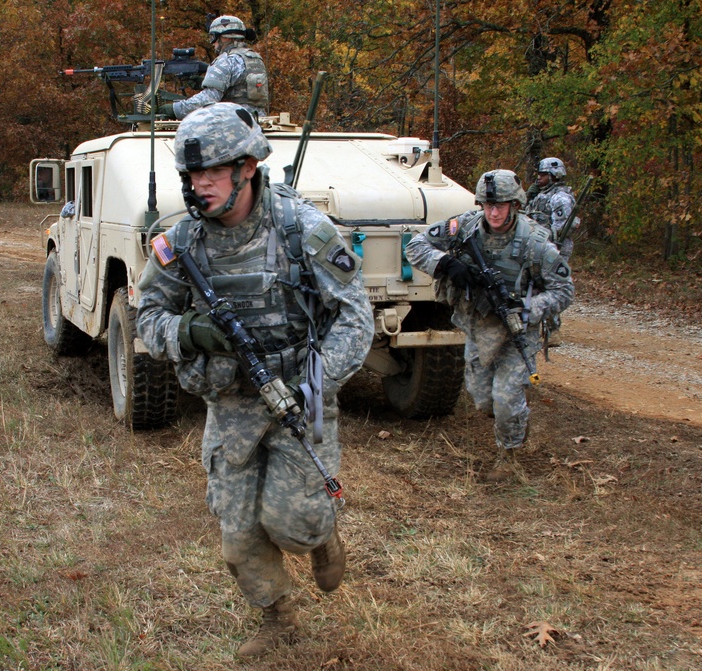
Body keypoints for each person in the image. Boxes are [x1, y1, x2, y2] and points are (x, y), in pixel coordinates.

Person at [136, 103, 373, 657]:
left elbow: (355, 318)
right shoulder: (182, 242)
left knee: (293, 523)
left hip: (302, 391)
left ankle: (320, 533)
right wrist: (191, 332)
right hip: (231, 401)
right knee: (238, 536)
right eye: (192, 174)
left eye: (213, 171)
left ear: (247, 167)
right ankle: (279, 618)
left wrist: (315, 385)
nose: (201, 185)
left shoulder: (302, 229)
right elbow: (147, 316)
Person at [405, 169, 574, 482]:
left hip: (517, 329)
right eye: (488, 205)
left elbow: (564, 290)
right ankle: (514, 418)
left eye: (502, 205)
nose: (494, 212)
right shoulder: (465, 226)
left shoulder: (535, 243)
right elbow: (415, 246)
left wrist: (527, 310)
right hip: (478, 325)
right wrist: (446, 264)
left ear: (515, 204)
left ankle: (508, 454)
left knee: (506, 397)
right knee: (483, 399)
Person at [156, 15, 269, 120]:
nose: (213, 43)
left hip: (233, 124)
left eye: (213, 37)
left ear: (225, 38)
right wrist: (203, 83)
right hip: (258, 122)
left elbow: (208, 99)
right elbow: (241, 90)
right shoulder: (255, 58)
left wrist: (175, 109)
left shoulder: (227, 60)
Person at [525, 157, 577, 261]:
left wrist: (538, 233)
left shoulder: (560, 197)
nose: (538, 178)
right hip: (539, 246)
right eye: (539, 174)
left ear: (553, 175)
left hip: (554, 248)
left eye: (543, 175)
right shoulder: (542, 194)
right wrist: (527, 197)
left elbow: (562, 227)